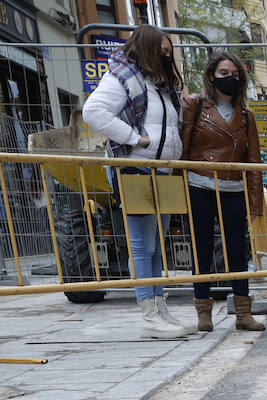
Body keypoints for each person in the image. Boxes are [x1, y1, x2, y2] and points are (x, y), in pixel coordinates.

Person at [82, 23, 192, 339]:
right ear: (147, 49)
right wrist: (133, 138)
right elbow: (94, 111)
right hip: (135, 169)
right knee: (143, 245)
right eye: (163, 52)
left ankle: (159, 311)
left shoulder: (162, 86)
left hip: (163, 171)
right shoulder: (123, 77)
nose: (167, 58)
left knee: (157, 246)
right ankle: (149, 316)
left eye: (170, 53)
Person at [181, 50, 264, 332]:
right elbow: (184, 146)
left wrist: (255, 200)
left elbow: (254, 160)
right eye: (224, 74)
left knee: (238, 252)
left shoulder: (246, 116)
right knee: (201, 250)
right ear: (212, 76)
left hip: (233, 187)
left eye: (235, 75)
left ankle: (243, 313)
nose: (230, 79)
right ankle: (203, 313)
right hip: (199, 184)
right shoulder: (195, 104)